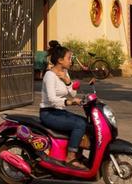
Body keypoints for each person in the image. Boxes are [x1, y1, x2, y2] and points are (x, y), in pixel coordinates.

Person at [39, 40, 88, 170]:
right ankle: (70, 157)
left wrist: (67, 81)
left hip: (59, 112)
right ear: (60, 60)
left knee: (86, 122)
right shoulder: (49, 75)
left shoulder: (65, 73)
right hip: (48, 113)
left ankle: (77, 153)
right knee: (79, 124)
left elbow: (72, 93)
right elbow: (51, 99)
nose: (71, 61)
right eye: (69, 58)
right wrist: (69, 102)